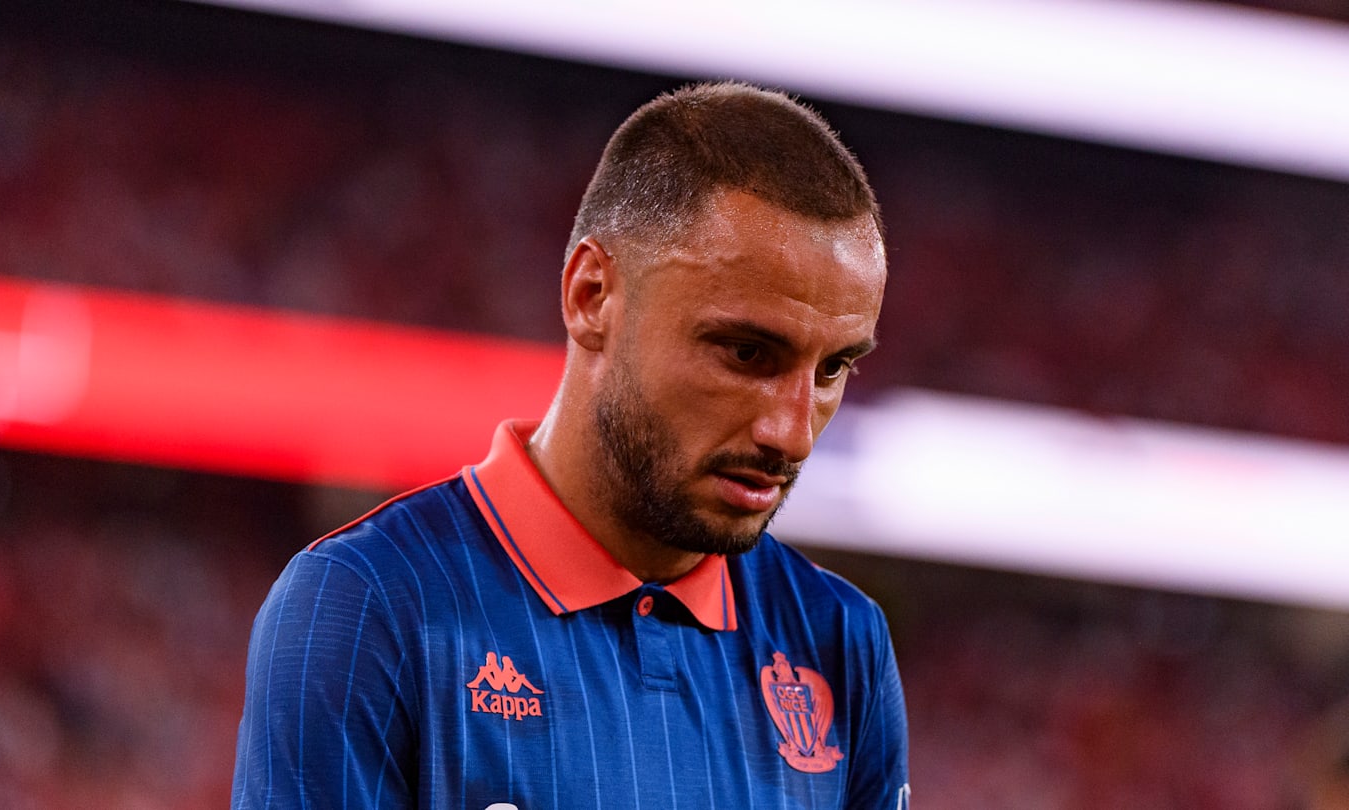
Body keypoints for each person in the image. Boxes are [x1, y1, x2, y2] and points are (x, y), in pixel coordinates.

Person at [232, 80, 910, 809]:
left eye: (834, 367)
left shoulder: (843, 643)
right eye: (747, 353)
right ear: (593, 296)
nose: (793, 429)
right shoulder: (364, 605)